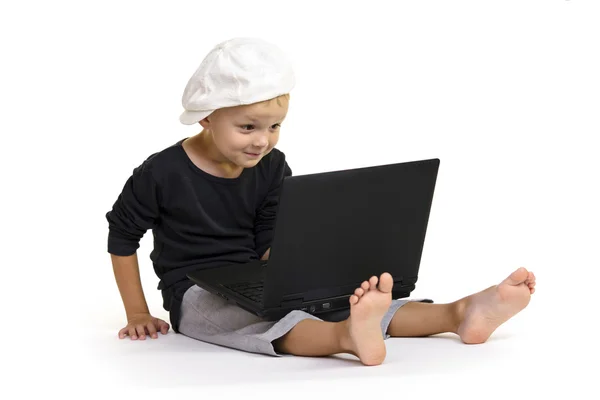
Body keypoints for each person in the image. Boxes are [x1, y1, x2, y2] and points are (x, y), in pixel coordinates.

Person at [106, 37, 536, 366]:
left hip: (259, 275)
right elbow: (123, 237)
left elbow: (270, 233)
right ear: (207, 115)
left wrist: (302, 273)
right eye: (248, 126)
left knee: (335, 299)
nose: (262, 141)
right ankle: (345, 338)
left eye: (274, 126)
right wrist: (138, 312)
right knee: (265, 323)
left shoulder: (273, 166)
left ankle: (459, 313)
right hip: (194, 289)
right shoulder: (162, 172)